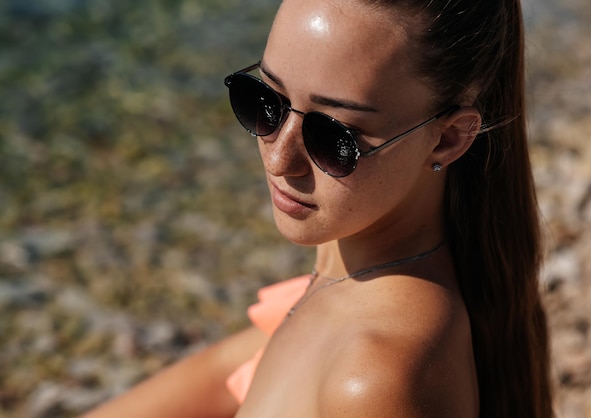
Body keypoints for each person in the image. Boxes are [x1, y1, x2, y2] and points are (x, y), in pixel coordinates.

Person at [82, 0, 554, 416]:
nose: (279, 157)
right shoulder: (343, 281)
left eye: (334, 137)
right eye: (264, 101)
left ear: (449, 139)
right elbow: (231, 370)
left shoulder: (375, 377)